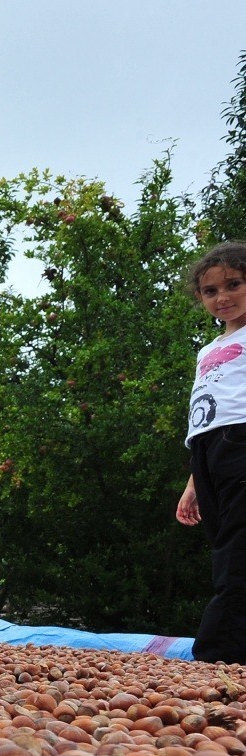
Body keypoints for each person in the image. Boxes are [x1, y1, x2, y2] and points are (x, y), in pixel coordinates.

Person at [177, 241, 246, 662]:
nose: (222, 296)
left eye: (234, 284)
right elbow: (204, 417)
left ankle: (219, 655)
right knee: (224, 543)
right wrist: (193, 483)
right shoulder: (208, 349)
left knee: (239, 546)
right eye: (210, 290)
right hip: (208, 450)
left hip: (242, 440)